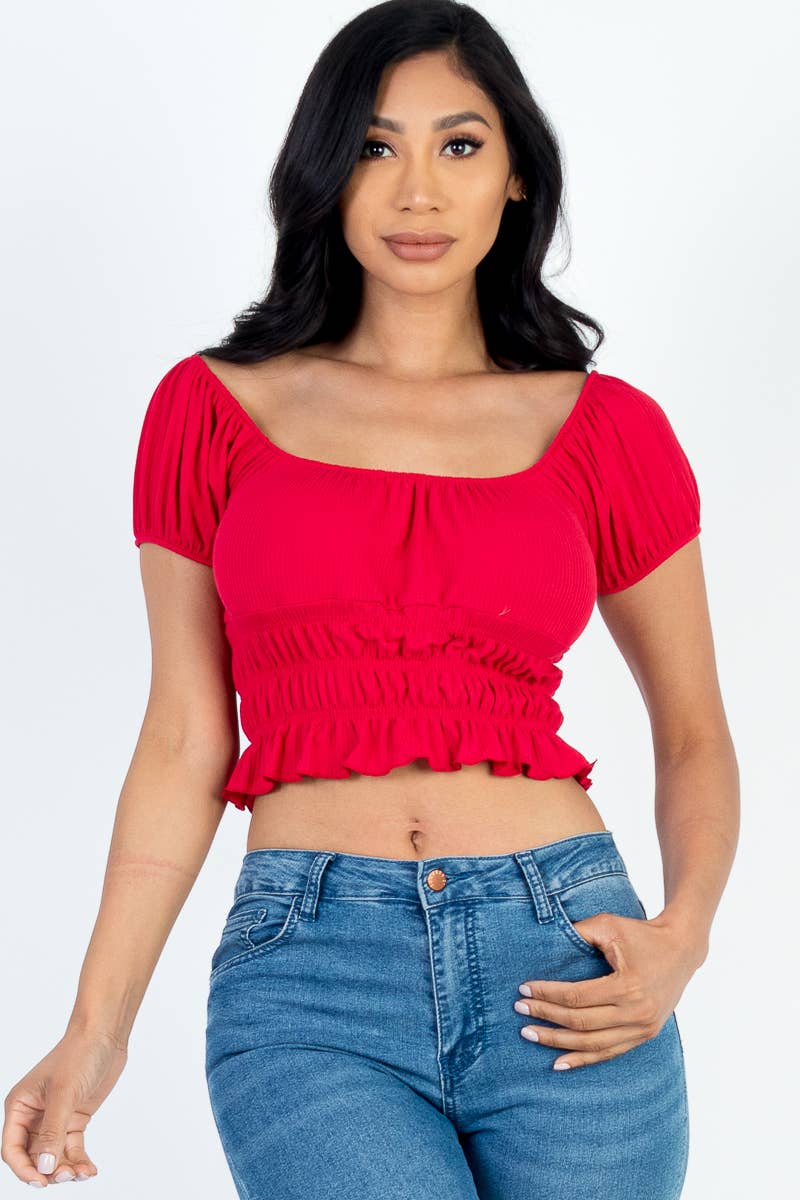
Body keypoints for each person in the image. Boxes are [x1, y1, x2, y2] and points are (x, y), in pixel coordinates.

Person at [2, 1, 739, 1196]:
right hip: (309, 979)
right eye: (372, 147)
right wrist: (97, 1026)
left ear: (514, 175)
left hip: (568, 959)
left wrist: (682, 939)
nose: (416, 191)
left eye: (459, 144)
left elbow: (694, 731)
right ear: (323, 174)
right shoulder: (210, 409)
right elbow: (185, 735)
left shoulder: (607, 429)